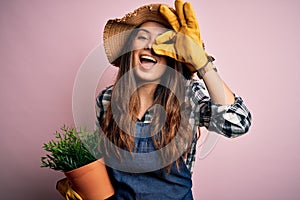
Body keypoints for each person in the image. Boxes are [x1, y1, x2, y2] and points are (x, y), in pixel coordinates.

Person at [57, 0, 252, 199]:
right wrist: (84, 187)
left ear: (172, 55)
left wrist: (202, 63)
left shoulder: (188, 96)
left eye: (162, 41)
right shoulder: (106, 100)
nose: (150, 46)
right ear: (129, 50)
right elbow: (102, 165)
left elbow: (237, 123)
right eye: (142, 37)